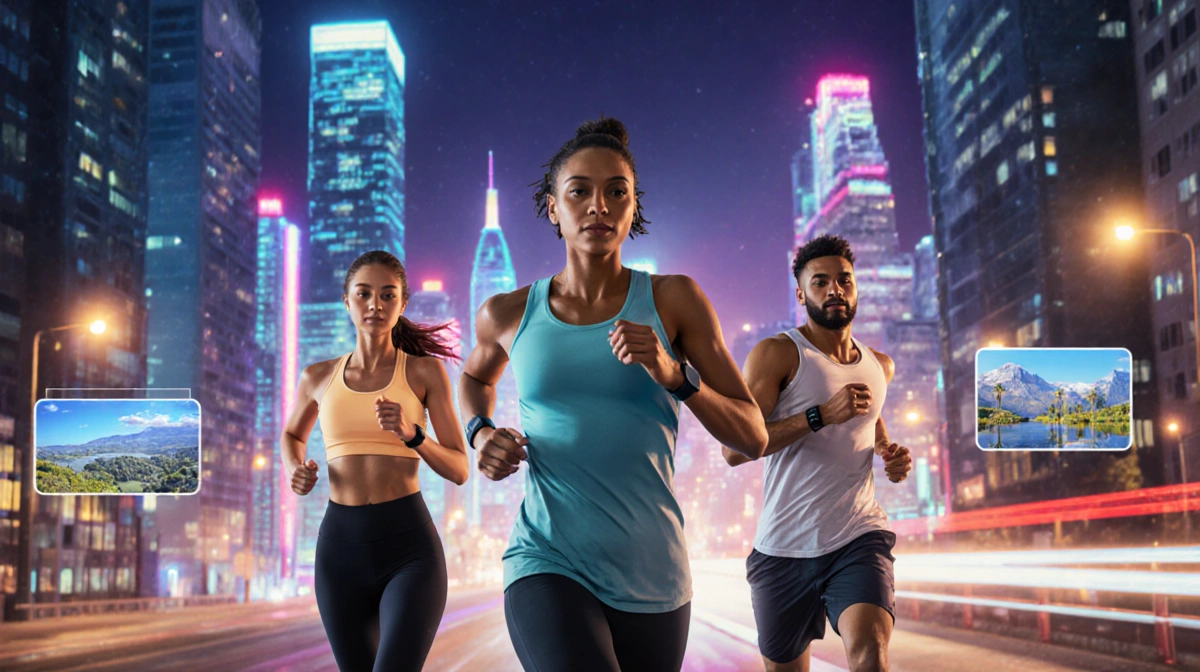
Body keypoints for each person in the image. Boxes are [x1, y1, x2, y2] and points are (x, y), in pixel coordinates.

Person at [459, 117, 768, 672]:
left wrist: (677, 377)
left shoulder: (675, 300)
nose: (597, 206)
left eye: (615, 192)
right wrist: (479, 432)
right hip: (546, 559)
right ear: (553, 207)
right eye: (579, 191)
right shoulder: (507, 312)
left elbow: (752, 435)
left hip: (655, 574)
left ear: (632, 208)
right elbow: (475, 378)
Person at [723, 235, 914, 672]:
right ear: (801, 293)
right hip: (782, 550)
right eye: (821, 282)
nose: (835, 291)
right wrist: (820, 415)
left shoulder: (880, 365)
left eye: (844, 281)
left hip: (857, 537)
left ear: (857, 287)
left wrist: (888, 450)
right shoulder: (777, 354)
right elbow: (734, 449)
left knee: (870, 652)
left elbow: (871, 416)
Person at [281, 250, 469, 672]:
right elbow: (292, 434)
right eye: (363, 294)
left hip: (410, 552)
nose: (375, 304)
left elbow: (459, 468)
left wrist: (413, 434)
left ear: (402, 305)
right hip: (338, 553)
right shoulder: (317, 376)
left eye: (388, 295)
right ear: (347, 301)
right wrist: (295, 466)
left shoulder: (424, 373)